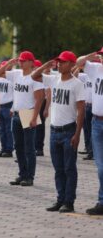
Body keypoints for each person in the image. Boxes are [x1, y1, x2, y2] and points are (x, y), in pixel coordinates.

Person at [32, 51, 85, 213]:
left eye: (63, 62)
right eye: (58, 62)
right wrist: (46, 65)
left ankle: (69, 201)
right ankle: (60, 199)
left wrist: (77, 134)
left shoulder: (77, 84)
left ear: (71, 64)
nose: (59, 64)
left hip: (68, 130)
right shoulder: (54, 79)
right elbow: (34, 76)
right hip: (54, 131)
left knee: (69, 168)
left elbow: (81, 111)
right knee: (58, 169)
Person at [0, 51, 44, 187]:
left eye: (24, 60)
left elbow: (39, 99)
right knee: (18, 147)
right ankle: (22, 174)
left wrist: (35, 117)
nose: (21, 62)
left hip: (28, 113)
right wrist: (10, 63)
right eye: (20, 60)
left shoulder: (35, 77)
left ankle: (30, 176)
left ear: (31, 62)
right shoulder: (16, 74)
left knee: (29, 148)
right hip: (16, 114)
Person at [76, 51, 103, 215]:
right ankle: (101, 201)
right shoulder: (96, 69)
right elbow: (79, 62)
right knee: (101, 167)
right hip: (97, 122)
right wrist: (90, 56)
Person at [0, 61, 14, 158]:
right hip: (0, 106)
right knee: (2, 129)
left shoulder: (12, 80)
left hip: (8, 105)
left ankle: (9, 149)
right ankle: (3, 148)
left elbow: (15, 95)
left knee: (8, 129)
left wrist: (13, 108)